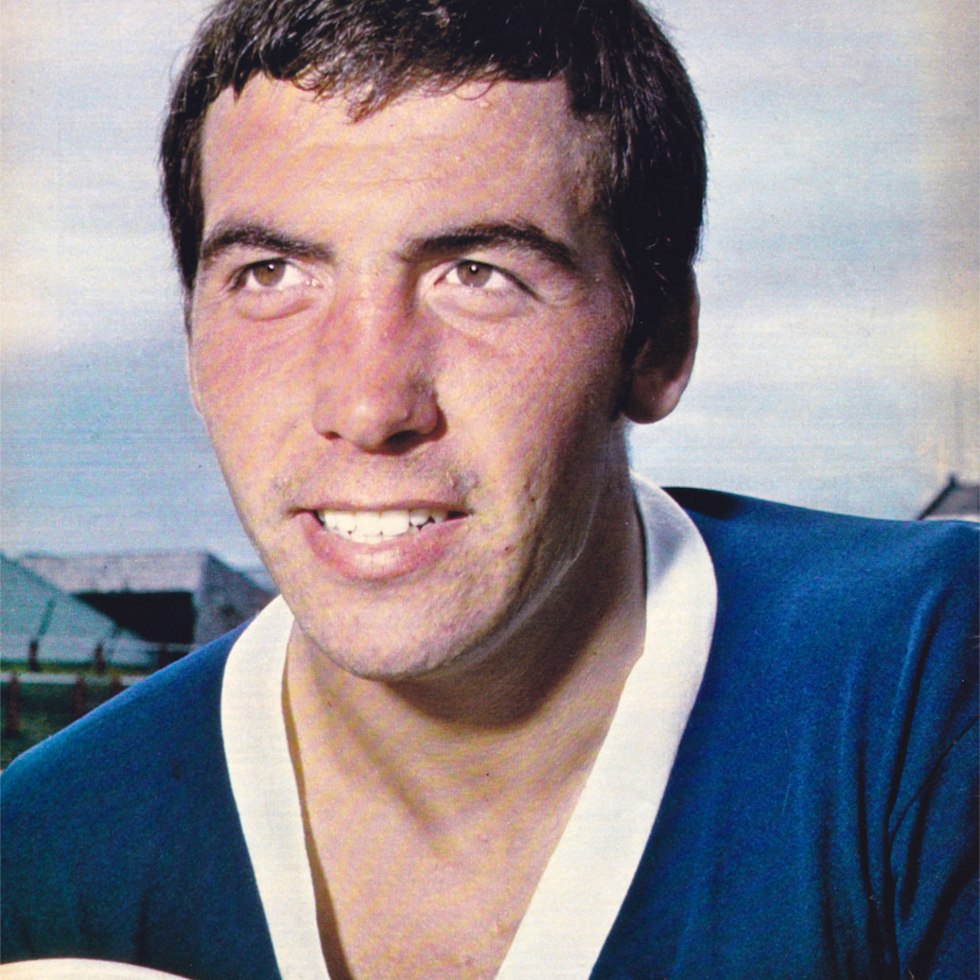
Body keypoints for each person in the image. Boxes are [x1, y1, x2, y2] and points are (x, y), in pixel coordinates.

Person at [2, 0, 976, 977]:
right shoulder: (46, 850)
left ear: (658, 341)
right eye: (269, 274)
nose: (368, 405)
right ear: (192, 340)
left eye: (476, 274)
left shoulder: (924, 676)